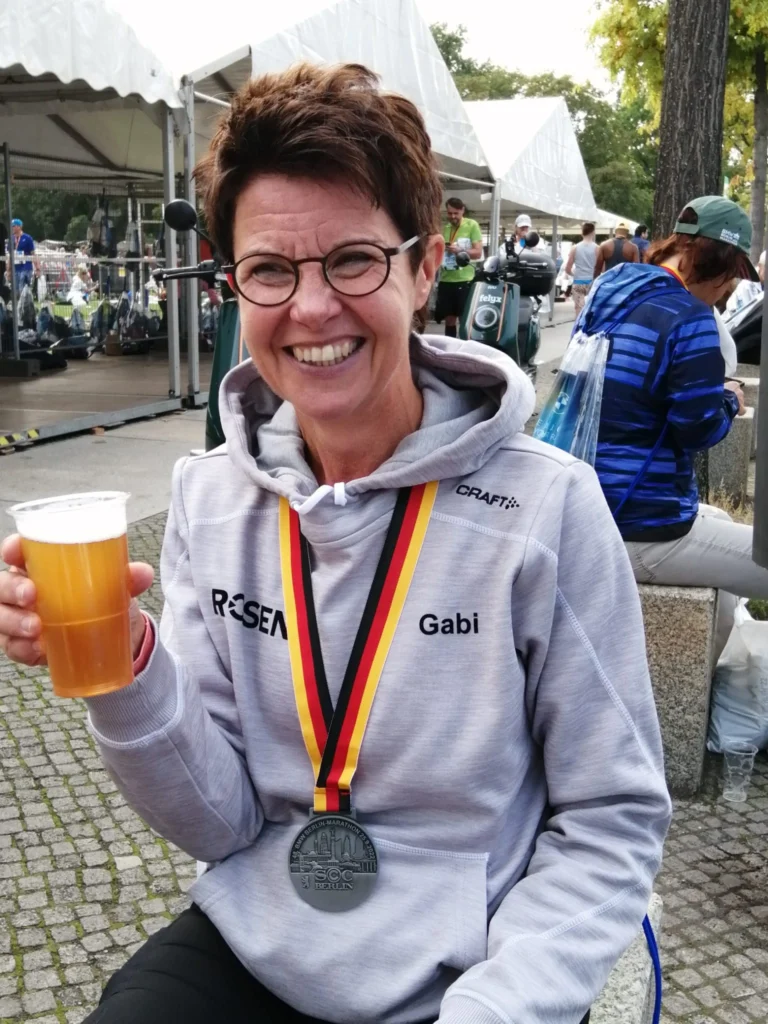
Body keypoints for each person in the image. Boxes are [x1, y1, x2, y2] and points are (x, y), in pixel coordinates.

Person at [0, 63, 670, 1024]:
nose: (311, 309)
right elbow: (220, 818)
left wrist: (503, 1006)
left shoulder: (546, 509)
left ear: (425, 266)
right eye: (271, 270)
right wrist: (127, 663)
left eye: (353, 260)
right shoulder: (211, 496)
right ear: (235, 284)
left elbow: (612, 817)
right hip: (261, 934)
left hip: (474, 964)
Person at [583, 195, 768, 656]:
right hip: (640, 523)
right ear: (717, 262)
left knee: (721, 517)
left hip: (587, 507)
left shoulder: (610, 289)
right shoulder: (691, 319)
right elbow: (697, 430)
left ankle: (714, 691)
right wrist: (728, 399)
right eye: (731, 278)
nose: (727, 292)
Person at [435, 197, 482, 338]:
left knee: (464, 319)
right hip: (446, 279)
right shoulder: (445, 228)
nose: (453, 217)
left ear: (462, 210)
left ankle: (466, 351)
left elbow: (478, 253)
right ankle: (450, 350)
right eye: (450, 213)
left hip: (465, 280)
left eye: (456, 213)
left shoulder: (472, 225)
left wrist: (461, 251)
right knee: (449, 320)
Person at [563, 221, 597, 316]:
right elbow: (601, 268)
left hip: (578, 282)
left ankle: (578, 329)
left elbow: (567, 268)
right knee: (590, 309)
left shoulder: (575, 248)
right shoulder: (597, 248)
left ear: (582, 233)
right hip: (592, 282)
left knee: (578, 309)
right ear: (593, 232)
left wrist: (573, 274)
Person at [8, 218, 38, 291]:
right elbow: (10, 256)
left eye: (14, 226)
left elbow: (33, 254)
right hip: (15, 268)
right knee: (16, 290)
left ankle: (26, 301)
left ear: (19, 227)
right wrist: (9, 270)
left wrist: (37, 267)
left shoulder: (27, 238)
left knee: (23, 288)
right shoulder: (11, 239)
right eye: (11, 226)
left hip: (26, 267)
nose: (12, 228)